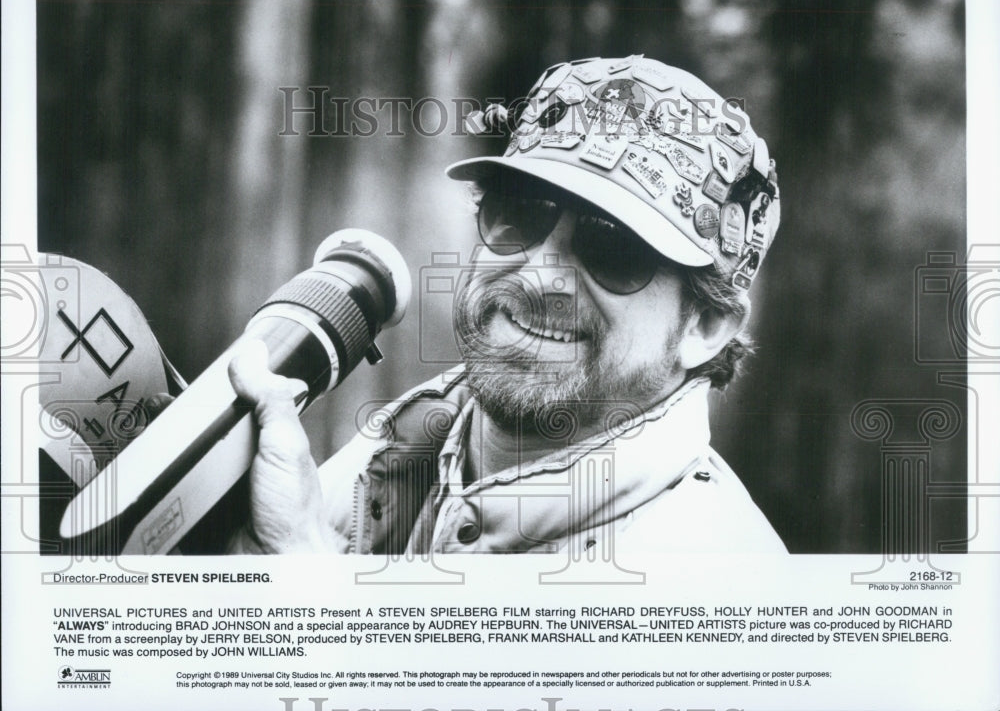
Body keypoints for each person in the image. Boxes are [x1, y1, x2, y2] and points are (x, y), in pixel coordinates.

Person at [227, 55, 787, 554]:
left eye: (612, 247)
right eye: (520, 215)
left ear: (707, 324)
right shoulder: (394, 454)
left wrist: (298, 573)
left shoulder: (723, 585)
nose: (540, 272)